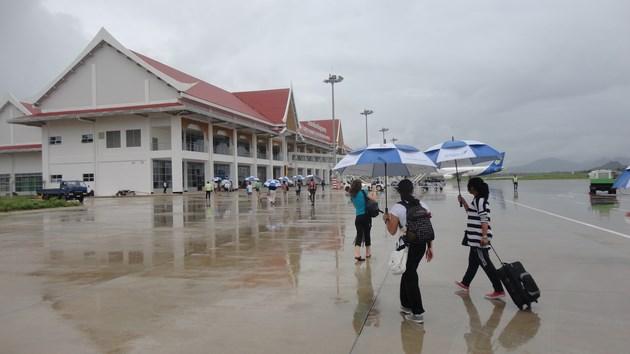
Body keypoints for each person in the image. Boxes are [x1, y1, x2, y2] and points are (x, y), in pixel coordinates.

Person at [383, 179, 433, 324]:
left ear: (399, 191)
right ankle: (405, 305)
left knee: (410, 275)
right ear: (412, 189)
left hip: (408, 246)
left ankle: (417, 313)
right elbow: (426, 227)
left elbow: (392, 231)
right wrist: (430, 247)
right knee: (408, 271)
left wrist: (386, 219)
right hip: (422, 244)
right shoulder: (422, 204)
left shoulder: (397, 208)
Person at [455, 177, 505, 300]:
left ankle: (498, 290)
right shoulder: (477, 200)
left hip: (479, 240)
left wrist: (484, 236)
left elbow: (484, 220)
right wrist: (464, 202)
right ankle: (465, 283)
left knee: (486, 265)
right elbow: (472, 214)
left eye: (469, 185)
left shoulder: (480, 201)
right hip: (474, 239)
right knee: (472, 262)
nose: (468, 187)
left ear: (473, 187)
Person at [349, 180, 375, 261]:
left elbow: (355, 206)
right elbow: (374, 199)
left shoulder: (352, 195)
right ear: (360, 185)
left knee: (359, 235)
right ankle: (368, 253)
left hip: (358, 217)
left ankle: (357, 254)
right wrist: (374, 190)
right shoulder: (364, 192)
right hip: (366, 217)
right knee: (367, 234)